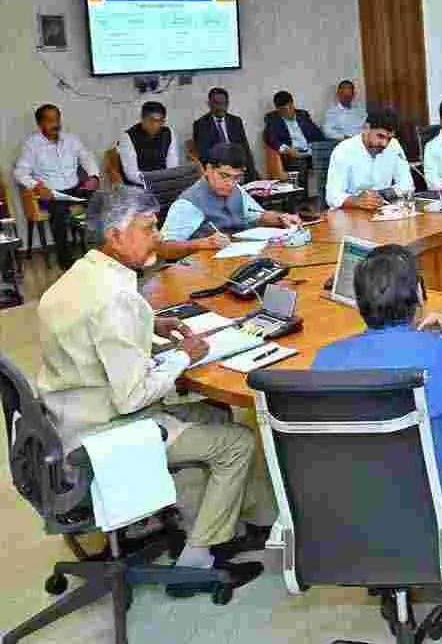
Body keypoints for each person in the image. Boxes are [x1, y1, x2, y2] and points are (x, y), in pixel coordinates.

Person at [37, 188, 275, 596]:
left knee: (213, 414)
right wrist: (183, 356)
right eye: (148, 228)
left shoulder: (77, 279)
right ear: (115, 236)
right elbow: (131, 397)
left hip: (66, 420)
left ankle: (214, 522)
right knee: (237, 443)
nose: (157, 237)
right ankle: (197, 562)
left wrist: (149, 326)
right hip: (107, 432)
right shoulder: (116, 299)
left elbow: (92, 340)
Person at [310, 244, 442, 636]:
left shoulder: (324, 361)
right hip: (428, 518)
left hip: (344, 519)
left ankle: (391, 591)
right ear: (419, 294)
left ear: (358, 303)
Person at [159, 143, 300, 259]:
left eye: (236, 177)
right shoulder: (188, 203)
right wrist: (202, 243)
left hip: (241, 255)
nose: (230, 184)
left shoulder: (236, 189)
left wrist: (281, 218)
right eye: (224, 176)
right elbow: (164, 249)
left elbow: (257, 216)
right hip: (207, 267)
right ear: (208, 169)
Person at [12, 104, 101, 270]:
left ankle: (101, 250)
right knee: (59, 215)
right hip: (51, 193)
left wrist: (93, 176)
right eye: (50, 120)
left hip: (74, 188)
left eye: (57, 119)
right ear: (40, 124)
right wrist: (36, 186)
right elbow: (19, 172)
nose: (55, 124)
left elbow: (86, 157)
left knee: (101, 201)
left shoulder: (71, 140)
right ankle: (65, 260)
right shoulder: (32, 145)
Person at [325, 107, 414, 210]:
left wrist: (381, 194)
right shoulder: (343, 150)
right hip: (351, 213)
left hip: (384, 211)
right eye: (380, 136)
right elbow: (332, 196)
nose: (385, 144)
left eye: (389, 139)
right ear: (365, 128)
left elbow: (408, 184)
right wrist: (358, 201)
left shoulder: (394, 145)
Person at [192, 88, 258, 182]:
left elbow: (245, 147)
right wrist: (224, 168)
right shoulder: (200, 125)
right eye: (216, 103)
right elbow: (204, 154)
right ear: (209, 104)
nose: (220, 107)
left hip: (237, 164)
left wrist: (251, 172)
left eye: (223, 103)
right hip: (217, 167)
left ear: (227, 104)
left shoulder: (235, 121)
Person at [118, 101, 179, 187]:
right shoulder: (128, 137)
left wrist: (167, 181)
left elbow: (172, 166)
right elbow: (132, 174)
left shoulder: (168, 133)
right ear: (142, 119)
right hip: (139, 185)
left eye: (160, 121)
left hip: (163, 183)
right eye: (151, 120)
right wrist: (154, 182)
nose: (156, 125)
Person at [264, 91, 326, 162]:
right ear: (278, 110)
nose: (289, 112)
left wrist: (317, 147)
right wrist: (287, 150)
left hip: (311, 151)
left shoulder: (303, 116)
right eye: (284, 110)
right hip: (293, 155)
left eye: (290, 107)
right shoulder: (274, 121)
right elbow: (270, 139)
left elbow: (318, 134)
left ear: (293, 104)